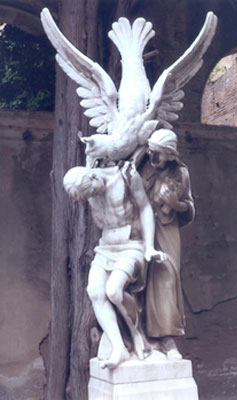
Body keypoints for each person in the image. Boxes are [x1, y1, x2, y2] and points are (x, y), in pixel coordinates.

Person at [63, 162, 166, 369]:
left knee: (114, 291)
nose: (94, 196)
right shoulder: (89, 189)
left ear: (93, 176)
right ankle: (119, 348)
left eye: (93, 191)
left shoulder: (125, 176)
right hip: (106, 248)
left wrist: (148, 247)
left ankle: (138, 337)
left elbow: (145, 207)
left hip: (131, 245)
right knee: (94, 291)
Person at [139, 129, 195, 357]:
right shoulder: (142, 167)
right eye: (151, 152)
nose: (153, 157)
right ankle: (141, 335)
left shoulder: (181, 173)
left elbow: (189, 209)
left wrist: (175, 203)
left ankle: (167, 338)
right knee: (139, 276)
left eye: (158, 154)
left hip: (167, 229)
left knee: (166, 278)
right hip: (140, 229)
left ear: (170, 155)